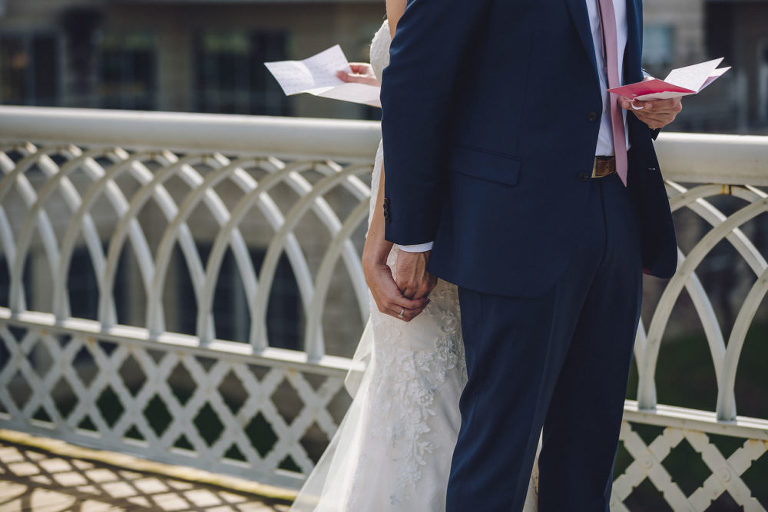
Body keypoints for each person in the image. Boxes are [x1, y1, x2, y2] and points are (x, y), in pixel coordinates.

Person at [380, 0, 683, 510]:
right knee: (500, 447)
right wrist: (411, 238)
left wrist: (652, 100)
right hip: (513, 221)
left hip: (616, 207)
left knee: (590, 444)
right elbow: (413, 84)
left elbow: (584, 65)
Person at [289, 4, 540, 511]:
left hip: (430, 196)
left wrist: (394, 237)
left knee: (446, 393)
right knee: (433, 392)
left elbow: (427, 101)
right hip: (434, 183)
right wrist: (381, 78)